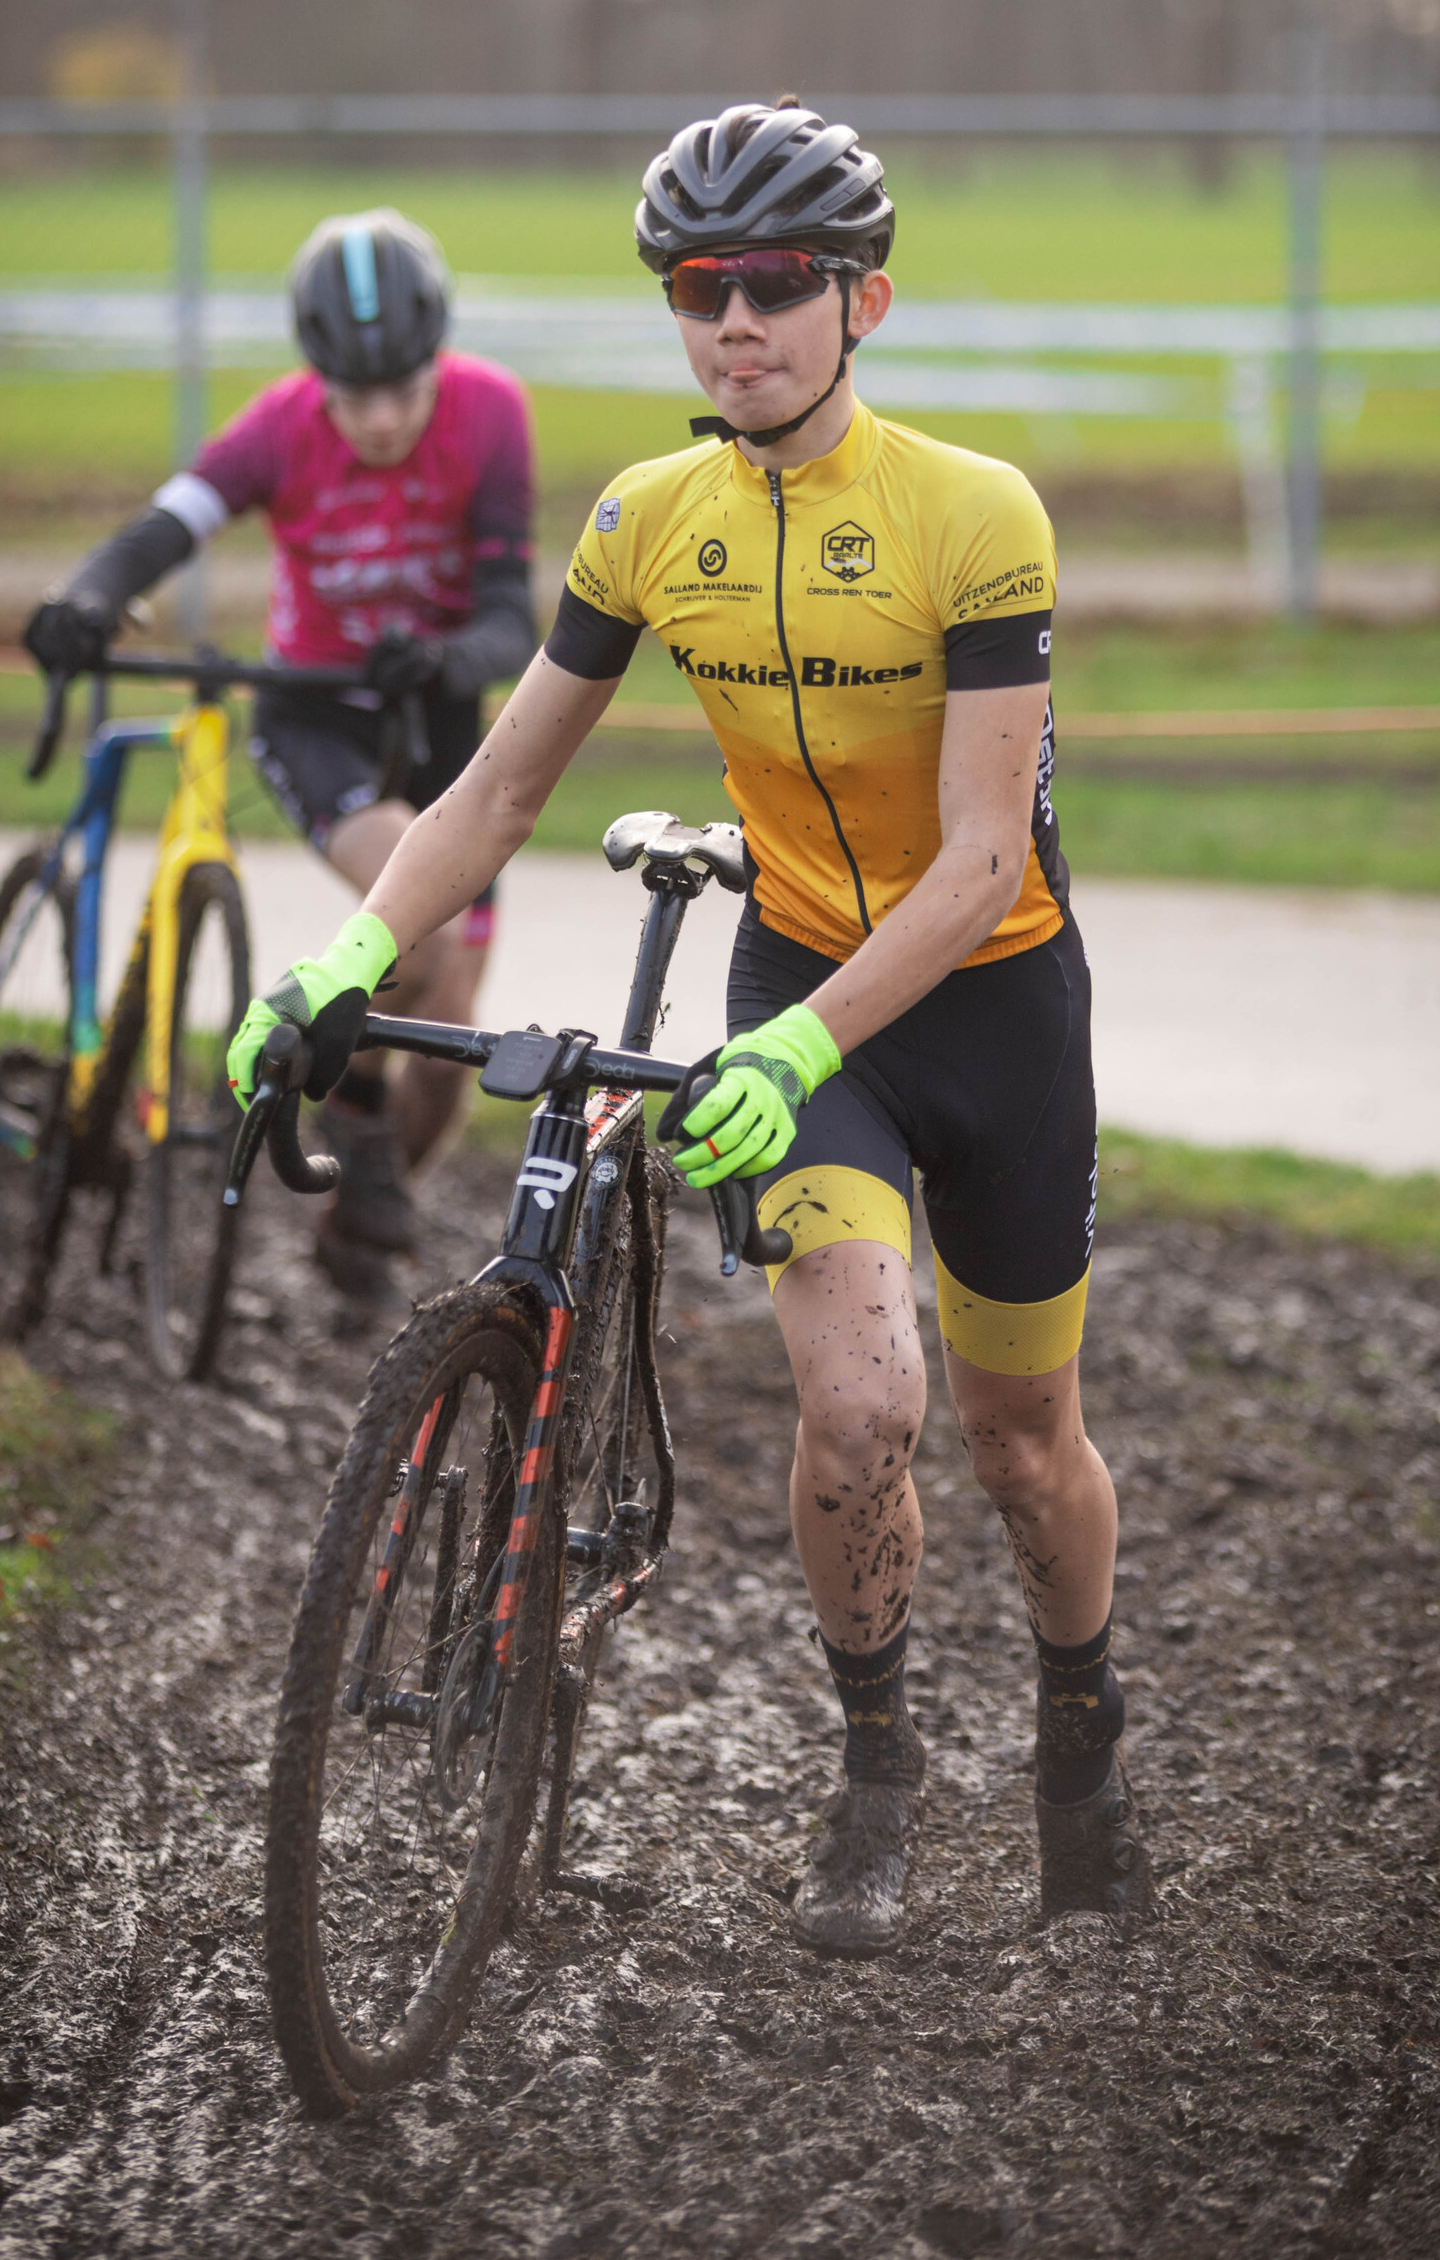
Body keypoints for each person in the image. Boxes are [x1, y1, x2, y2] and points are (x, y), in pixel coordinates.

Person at [224, 102, 1153, 1955]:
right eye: (698, 289)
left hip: (993, 1008)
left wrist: (805, 1048)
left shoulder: (976, 516)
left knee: (1019, 1440)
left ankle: (1081, 1730)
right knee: (859, 1407)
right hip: (798, 986)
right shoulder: (652, 521)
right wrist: (342, 963)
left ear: (862, 299)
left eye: (778, 285)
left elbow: (979, 864)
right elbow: (492, 795)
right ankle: (874, 1776)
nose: (737, 321)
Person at [24, 209, 538, 1310]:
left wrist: (446, 654)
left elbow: (512, 618)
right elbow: (165, 527)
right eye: (359, 398)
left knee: (448, 1041)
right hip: (315, 714)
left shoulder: (491, 412)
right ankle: (347, 1115)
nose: (387, 419)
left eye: (407, 388)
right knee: (414, 904)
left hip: (443, 716)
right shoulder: (277, 427)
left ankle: (356, 1222)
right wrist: (86, 599)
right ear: (317, 381)